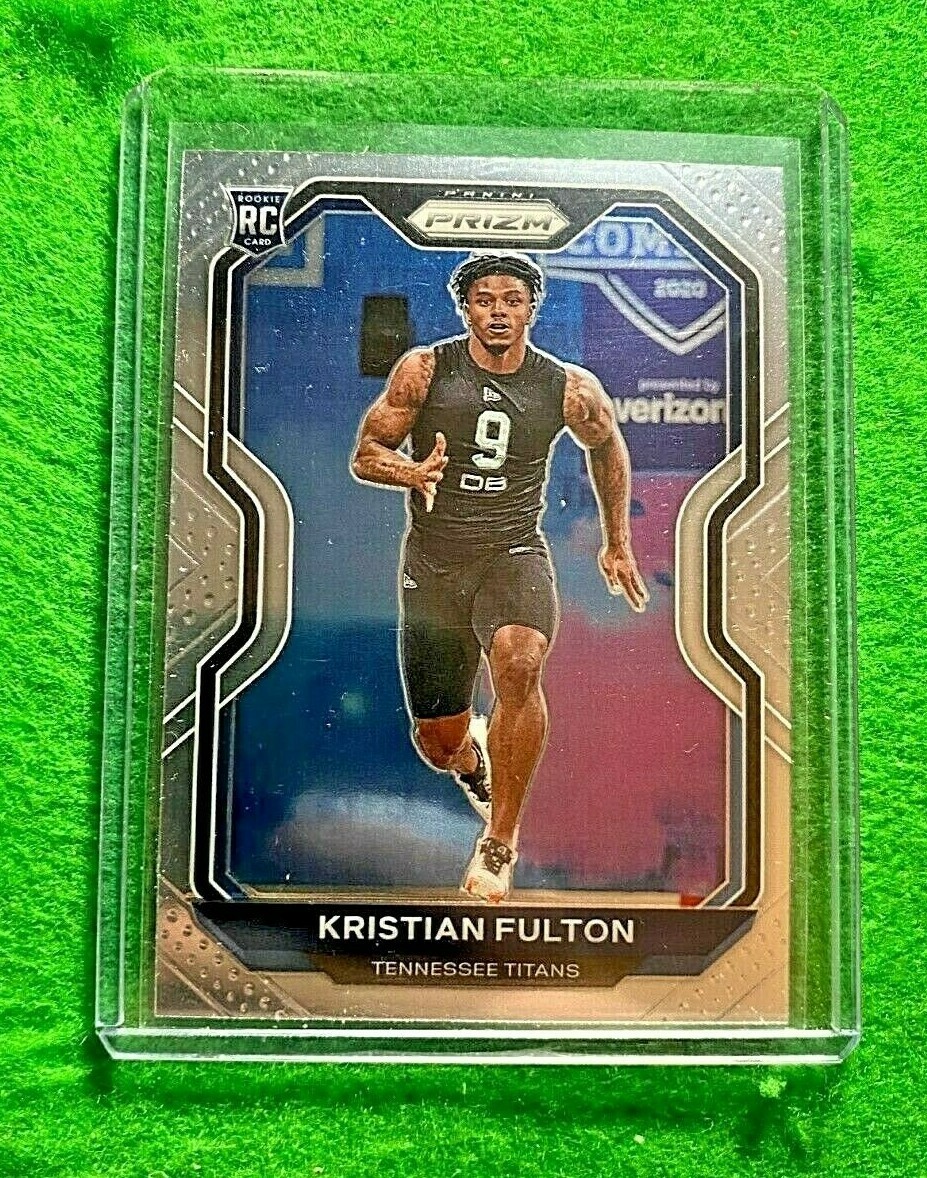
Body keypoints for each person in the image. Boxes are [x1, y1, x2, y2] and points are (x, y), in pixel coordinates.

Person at [351, 252, 648, 902]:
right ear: (466, 309)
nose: (498, 312)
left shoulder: (567, 387)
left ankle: (499, 840)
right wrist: (410, 472)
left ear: (530, 309)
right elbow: (367, 454)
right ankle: (471, 759)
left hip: (512, 552)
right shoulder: (425, 369)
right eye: (484, 299)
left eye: (511, 300)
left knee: (520, 662)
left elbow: (606, 444)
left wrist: (617, 542)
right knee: (438, 744)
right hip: (434, 566)